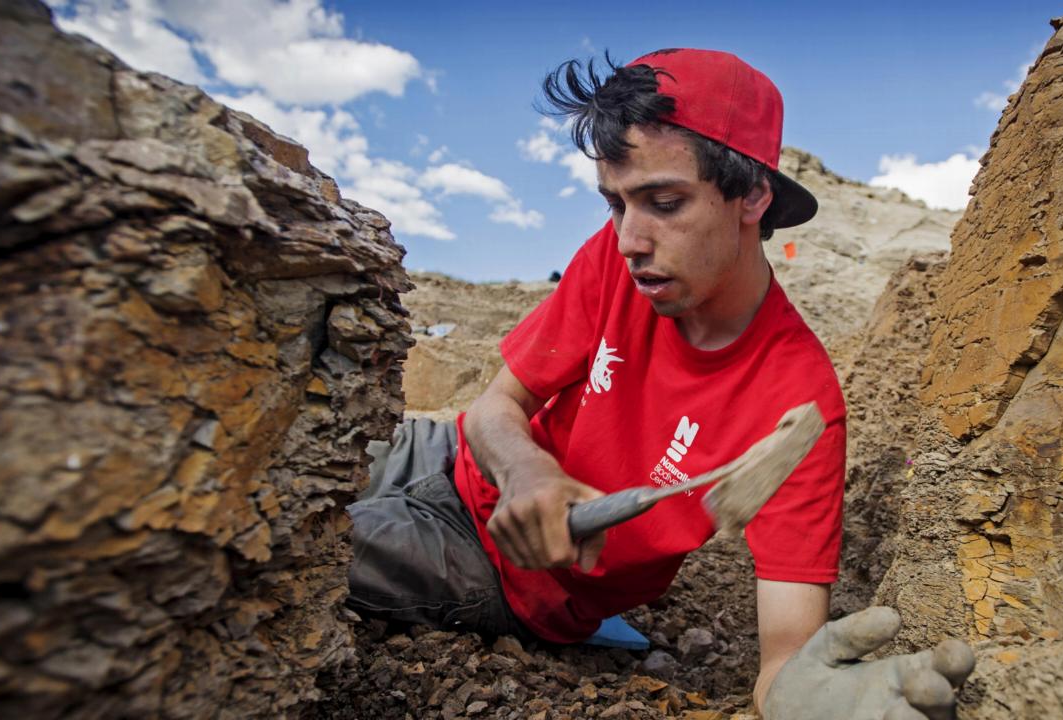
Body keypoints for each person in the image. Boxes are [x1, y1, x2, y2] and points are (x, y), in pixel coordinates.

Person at [348, 48, 973, 719]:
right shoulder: (616, 262)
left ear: (753, 196)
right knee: (300, 449)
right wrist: (528, 470)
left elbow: (784, 662)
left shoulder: (798, 408)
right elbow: (496, 405)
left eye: (664, 202)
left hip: (503, 569)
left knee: (285, 544)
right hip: (450, 455)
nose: (628, 239)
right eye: (615, 204)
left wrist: (802, 696)